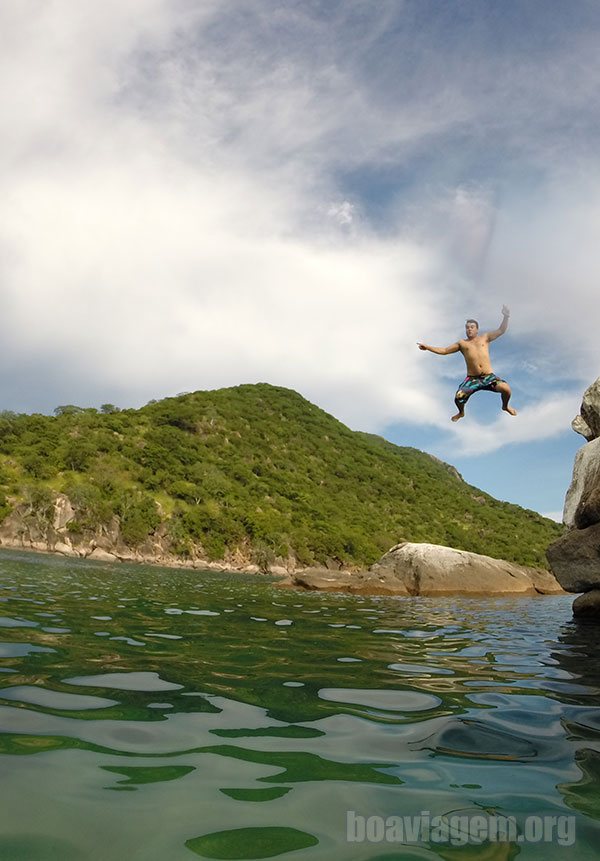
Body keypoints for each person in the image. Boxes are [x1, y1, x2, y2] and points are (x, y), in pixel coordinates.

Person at [417, 305, 517, 422]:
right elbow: (444, 351)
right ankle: (461, 412)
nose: (469, 329)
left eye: (472, 327)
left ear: (477, 329)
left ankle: (505, 406)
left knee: (506, 389)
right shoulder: (462, 344)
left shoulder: (485, 337)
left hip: (488, 377)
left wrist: (506, 316)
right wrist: (427, 347)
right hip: (472, 379)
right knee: (458, 397)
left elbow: (501, 330)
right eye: (467, 327)